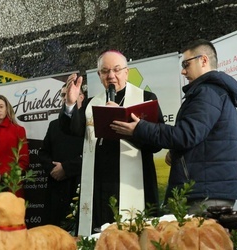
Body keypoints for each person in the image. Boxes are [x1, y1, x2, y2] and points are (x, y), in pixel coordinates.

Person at [111, 39, 237, 214]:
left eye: (186, 64)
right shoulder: (213, 92)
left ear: (203, 60)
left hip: (203, 193)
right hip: (206, 189)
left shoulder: (207, 92)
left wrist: (139, 128)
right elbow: (199, 137)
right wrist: (176, 154)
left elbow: (186, 135)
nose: (183, 71)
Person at [60, 50, 164, 235]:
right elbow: (71, 130)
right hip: (100, 183)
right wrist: (70, 103)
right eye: (105, 71)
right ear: (99, 75)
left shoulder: (146, 98)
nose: (111, 76)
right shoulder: (92, 103)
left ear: (127, 72)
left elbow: (156, 143)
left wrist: (128, 127)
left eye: (117, 70)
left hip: (135, 181)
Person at [38, 83, 86, 231]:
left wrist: (65, 168)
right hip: (55, 187)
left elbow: (93, 154)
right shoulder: (54, 125)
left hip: (78, 186)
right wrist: (54, 169)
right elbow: (43, 152)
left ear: (81, 97)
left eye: (69, 94)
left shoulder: (89, 123)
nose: (66, 98)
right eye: (63, 95)